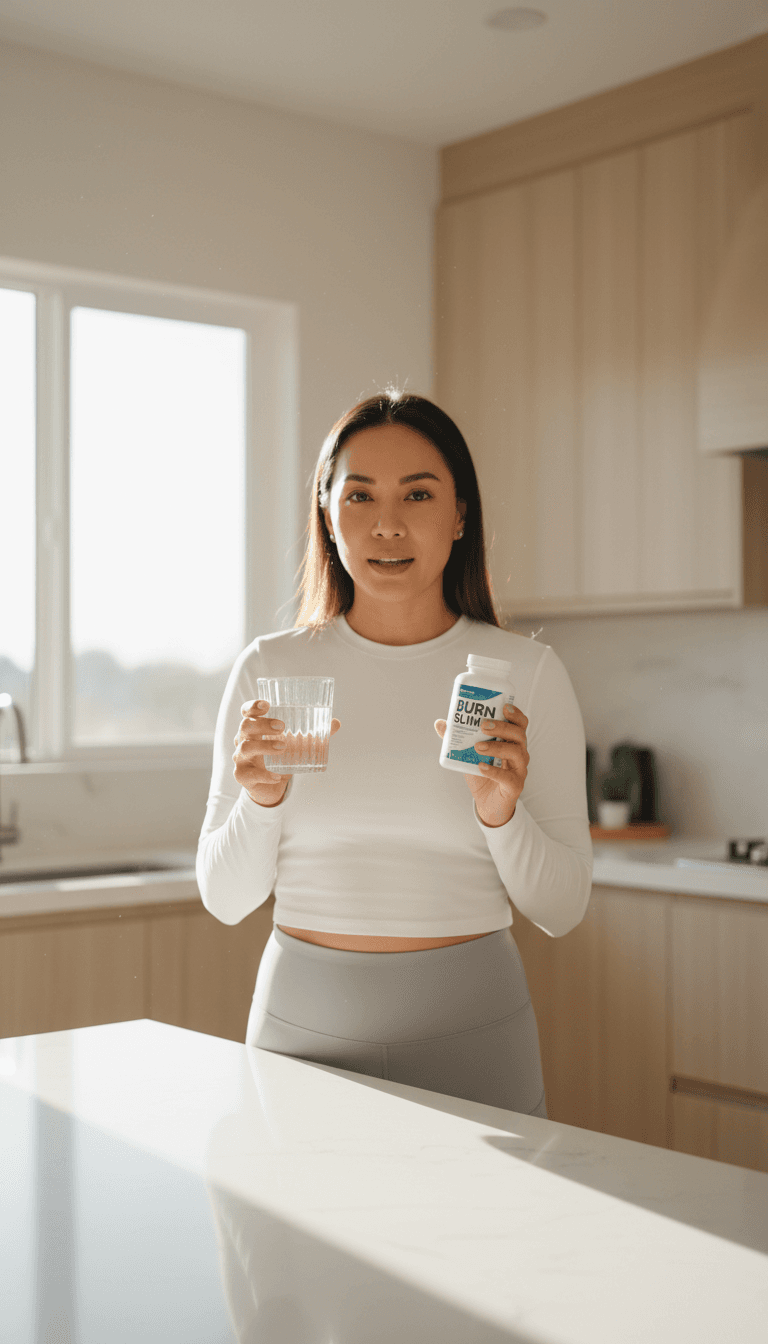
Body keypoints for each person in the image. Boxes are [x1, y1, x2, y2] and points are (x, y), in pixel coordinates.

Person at [197, 391, 592, 1117]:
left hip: (475, 1035)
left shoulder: (522, 674)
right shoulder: (270, 670)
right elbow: (225, 901)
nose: (387, 523)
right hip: (300, 1033)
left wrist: (501, 815)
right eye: (359, 495)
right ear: (326, 511)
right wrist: (262, 802)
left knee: (481, 1235)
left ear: (461, 514)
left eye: (418, 493)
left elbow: (562, 907)